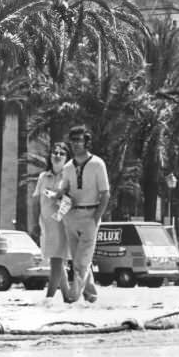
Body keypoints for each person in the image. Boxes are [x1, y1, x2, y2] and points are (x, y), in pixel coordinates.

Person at [58, 124, 110, 305]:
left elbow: (105, 193)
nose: (76, 144)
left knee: (82, 261)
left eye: (79, 140)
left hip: (90, 214)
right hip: (71, 216)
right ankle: (91, 295)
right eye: (73, 141)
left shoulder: (97, 164)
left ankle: (73, 297)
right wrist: (60, 197)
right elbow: (64, 190)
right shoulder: (67, 167)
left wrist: (96, 218)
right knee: (77, 259)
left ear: (86, 141)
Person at [31, 142, 72, 304]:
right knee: (56, 261)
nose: (57, 155)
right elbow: (35, 201)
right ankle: (68, 297)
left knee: (56, 261)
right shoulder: (43, 177)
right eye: (55, 152)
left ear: (67, 158)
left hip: (62, 225)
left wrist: (58, 198)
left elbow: (70, 202)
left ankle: (49, 298)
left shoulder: (69, 177)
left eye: (62, 153)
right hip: (46, 226)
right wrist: (35, 222)